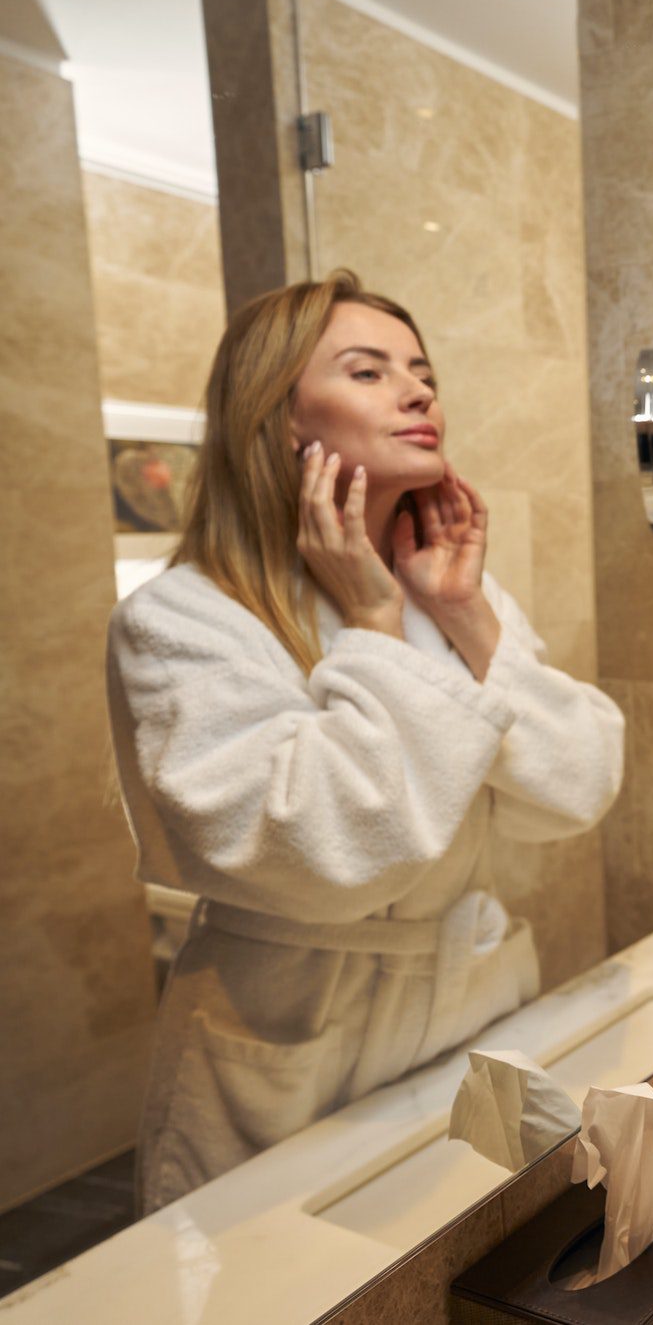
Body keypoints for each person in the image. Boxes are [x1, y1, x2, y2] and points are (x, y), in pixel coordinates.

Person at [105, 270, 626, 1215]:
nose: (419, 390)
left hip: (471, 1002)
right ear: (280, 418)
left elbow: (579, 784)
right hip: (297, 1032)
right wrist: (374, 625)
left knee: (478, 1277)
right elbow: (339, 848)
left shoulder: (451, 589)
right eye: (370, 370)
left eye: (420, 370)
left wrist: (463, 615)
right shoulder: (183, 619)